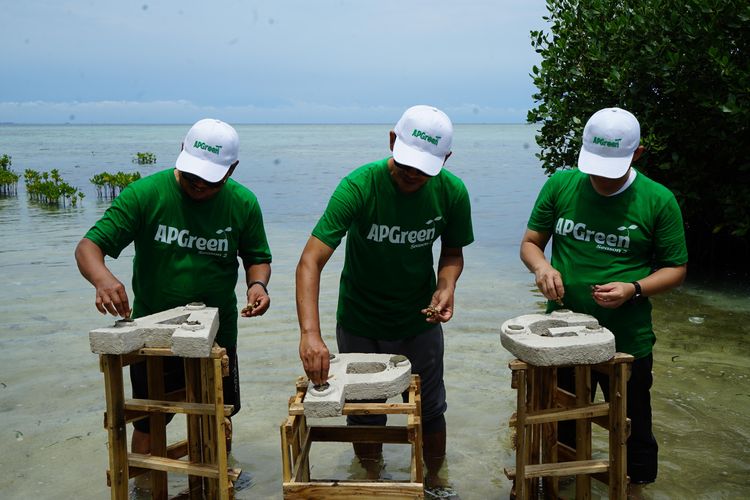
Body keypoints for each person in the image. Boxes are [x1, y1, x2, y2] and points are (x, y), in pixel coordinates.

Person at [296, 105, 474, 490]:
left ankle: (435, 483)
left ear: (445, 159)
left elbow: (453, 253)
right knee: (364, 413)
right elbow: (311, 260)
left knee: (430, 410)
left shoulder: (452, 192)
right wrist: (310, 334)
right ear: (392, 141)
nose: (413, 174)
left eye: (425, 168)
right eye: (407, 163)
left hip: (419, 321)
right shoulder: (359, 186)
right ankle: (372, 481)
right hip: (361, 319)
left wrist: (447, 284)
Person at [75, 118, 272, 458]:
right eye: (192, 175)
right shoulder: (145, 194)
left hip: (217, 335)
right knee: (150, 421)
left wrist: (257, 284)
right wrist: (103, 279)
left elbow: (257, 257)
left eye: (208, 180)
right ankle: (145, 488)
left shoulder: (243, 203)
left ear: (232, 169)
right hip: (153, 335)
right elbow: (88, 248)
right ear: (182, 150)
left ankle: (216, 487)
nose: (197, 185)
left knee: (218, 414)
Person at [520, 107, 688, 493]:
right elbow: (531, 243)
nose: (599, 177)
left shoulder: (658, 200)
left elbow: (675, 269)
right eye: (594, 165)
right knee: (560, 425)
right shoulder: (560, 186)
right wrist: (542, 269)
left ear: (638, 154)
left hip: (626, 340)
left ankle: (634, 488)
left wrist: (634, 288)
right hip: (562, 336)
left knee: (632, 426)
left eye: (610, 168)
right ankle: (560, 485)